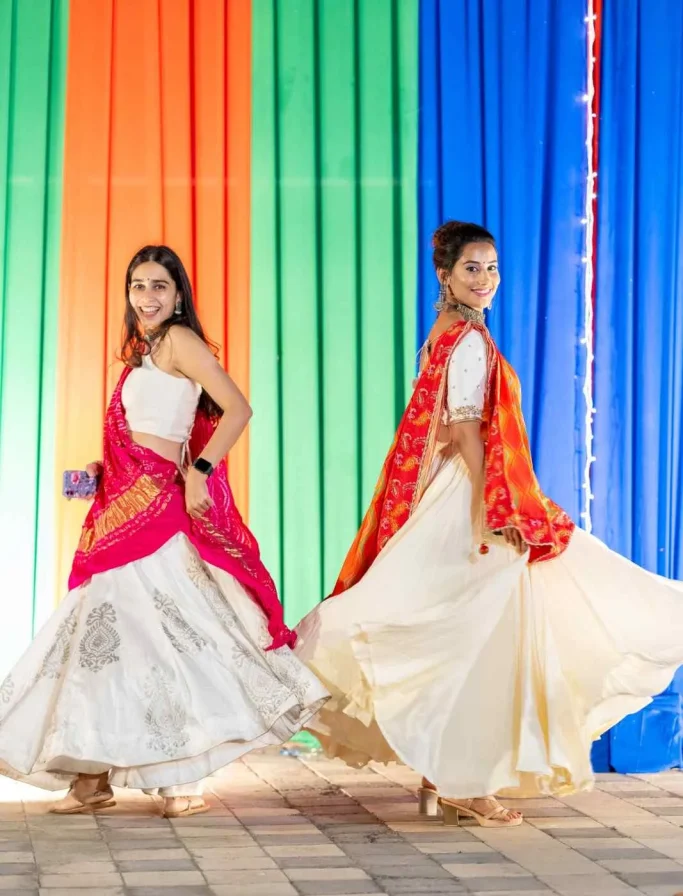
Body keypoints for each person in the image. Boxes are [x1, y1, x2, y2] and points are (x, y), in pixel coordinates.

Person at [297, 220, 683, 828]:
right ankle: (466, 784)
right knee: (480, 639)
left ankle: (444, 775)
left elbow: (443, 432)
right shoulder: (469, 340)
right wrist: (496, 507)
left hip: (449, 495)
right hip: (471, 500)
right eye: (472, 268)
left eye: (492, 267)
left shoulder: (445, 333)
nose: (485, 279)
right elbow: (465, 432)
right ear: (445, 275)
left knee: (457, 633)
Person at [0, 245, 327, 817]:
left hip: (159, 511)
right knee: (103, 641)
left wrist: (200, 471)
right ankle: (92, 778)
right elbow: (144, 431)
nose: (147, 296)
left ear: (178, 296)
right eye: (138, 285)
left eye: (159, 286)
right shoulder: (143, 355)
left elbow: (238, 408)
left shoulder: (179, 340)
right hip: (124, 507)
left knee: (167, 637)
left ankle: (179, 780)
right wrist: (104, 469)